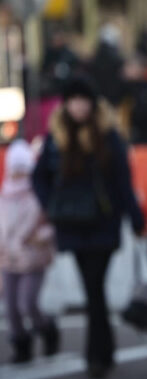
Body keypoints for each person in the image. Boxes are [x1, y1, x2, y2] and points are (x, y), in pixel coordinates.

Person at [32, 77, 146, 379]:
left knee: (94, 287)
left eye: (83, 100)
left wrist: (136, 218)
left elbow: (123, 180)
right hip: (71, 224)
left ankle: (97, 357)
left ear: (93, 103)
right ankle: (102, 352)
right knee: (92, 289)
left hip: (102, 224)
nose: (78, 106)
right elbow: (38, 176)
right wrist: (50, 204)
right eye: (73, 100)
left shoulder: (107, 136)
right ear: (66, 104)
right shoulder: (56, 137)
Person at [0, 139, 58, 363]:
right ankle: (21, 344)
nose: (18, 174)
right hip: (8, 259)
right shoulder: (4, 195)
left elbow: (50, 227)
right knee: (11, 308)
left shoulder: (38, 196)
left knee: (28, 303)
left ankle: (47, 328)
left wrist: (37, 239)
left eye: (22, 169)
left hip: (33, 259)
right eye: (15, 169)